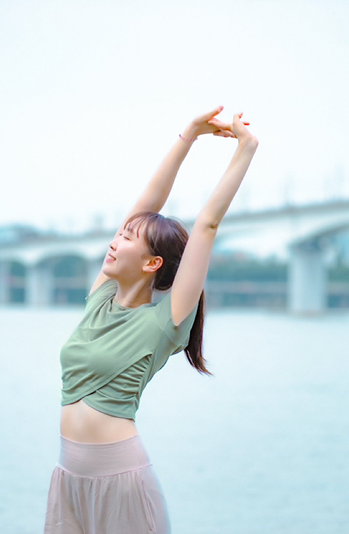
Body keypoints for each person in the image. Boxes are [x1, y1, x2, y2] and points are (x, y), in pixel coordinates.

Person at [43, 106, 259, 533]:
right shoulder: (101, 297)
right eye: (119, 234)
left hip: (121, 481)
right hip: (68, 478)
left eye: (127, 239)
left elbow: (207, 225)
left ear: (152, 263)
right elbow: (147, 204)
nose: (115, 241)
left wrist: (245, 149)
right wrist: (189, 135)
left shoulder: (166, 319)